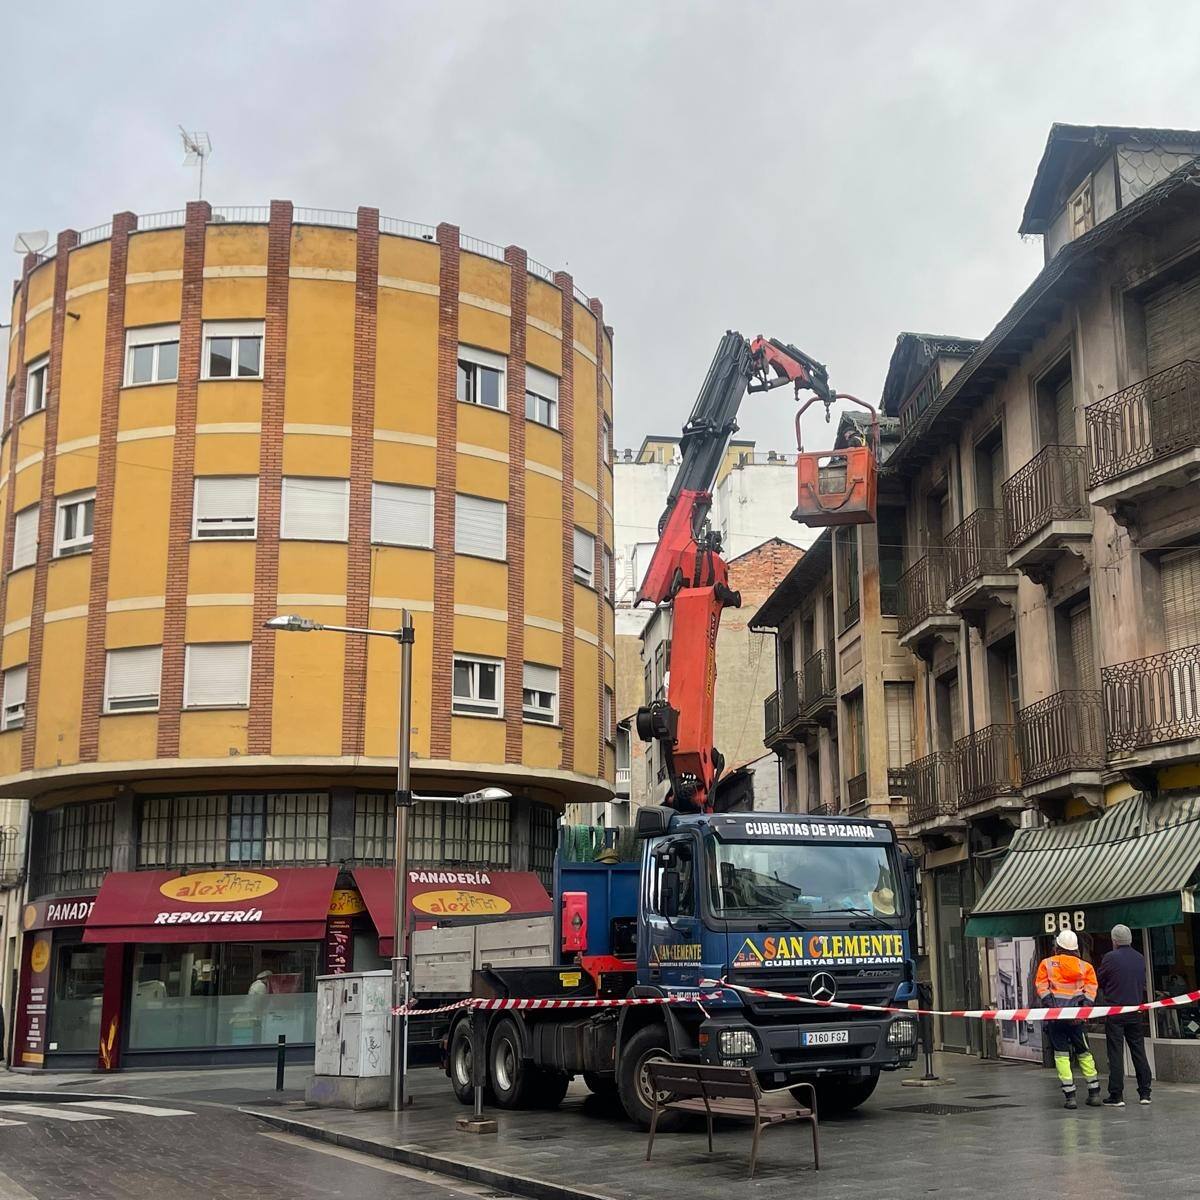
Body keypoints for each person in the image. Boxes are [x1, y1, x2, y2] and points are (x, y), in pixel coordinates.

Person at [1035, 929, 1101, 1109]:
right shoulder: (1085, 967)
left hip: (1056, 1018)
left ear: (1057, 946)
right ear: (1076, 948)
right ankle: (1094, 1092)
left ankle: (1070, 1096)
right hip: (1077, 1019)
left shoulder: (1047, 964)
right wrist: (1083, 1011)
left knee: (1061, 1055)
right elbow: (1091, 990)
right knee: (1084, 1053)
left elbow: (1041, 987)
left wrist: (1053, 1007)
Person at [1097, 924, 1152, 1107]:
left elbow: (1100, 980)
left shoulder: (1110, 957)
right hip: (1135, 1011)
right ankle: (1145, 1092)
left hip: (1115, 1012)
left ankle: (1117, 1095)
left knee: (1115, 1052)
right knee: (1138, 1051)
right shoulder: (1140, 958)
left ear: (1114, 941)